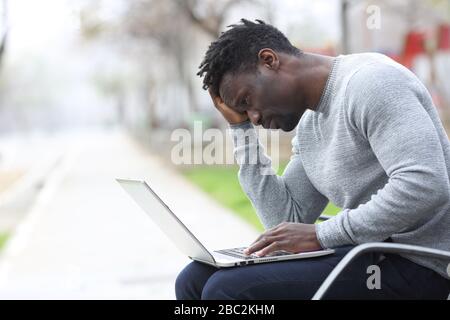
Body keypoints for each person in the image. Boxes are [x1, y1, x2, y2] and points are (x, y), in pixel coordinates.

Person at [175, 19, 450, 299]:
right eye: (245, 113)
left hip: (418, 264)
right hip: (367, 252)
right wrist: (240, 130)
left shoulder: (372, 84)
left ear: (269, 60)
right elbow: (284, 218)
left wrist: (321, 236)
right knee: (194, 279)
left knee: (228, 290)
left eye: (248, 101)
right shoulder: (310, 125)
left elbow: (426, 184)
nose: (254, 117)